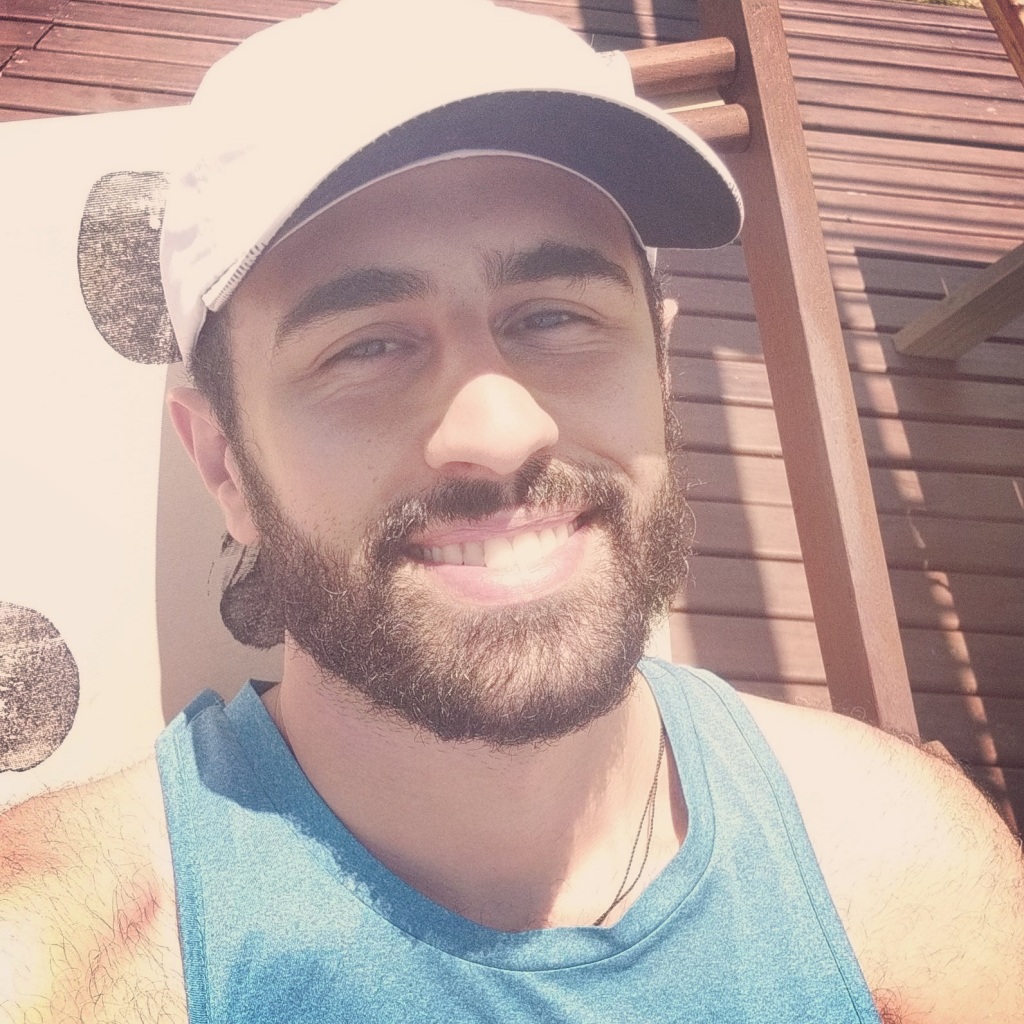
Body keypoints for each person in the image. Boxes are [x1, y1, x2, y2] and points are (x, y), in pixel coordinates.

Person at [2, 1, 1022, 1021]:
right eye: (367, 345)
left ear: (662, 373)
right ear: (225, 465)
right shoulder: (80, 952)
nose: (498, 431)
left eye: (554, 317)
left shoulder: (903, 873)